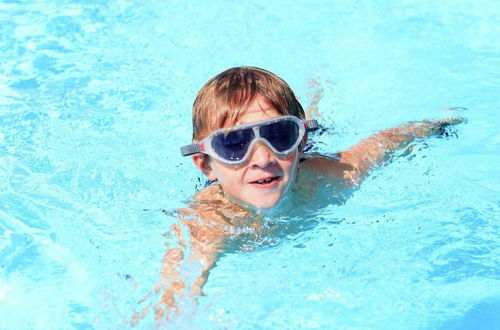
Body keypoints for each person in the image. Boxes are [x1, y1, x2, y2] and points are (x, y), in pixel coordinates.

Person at [133, 66, 463, 323]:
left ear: (299, 142)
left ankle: (314, 93)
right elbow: (171, 301)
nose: (262, 158)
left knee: (320, 123)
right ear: (205, 164)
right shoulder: (209, 221)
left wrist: (437, 124)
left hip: (306, 155)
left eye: (280, 133)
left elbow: (387, 142)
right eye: (234, 144)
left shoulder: (326, 177)